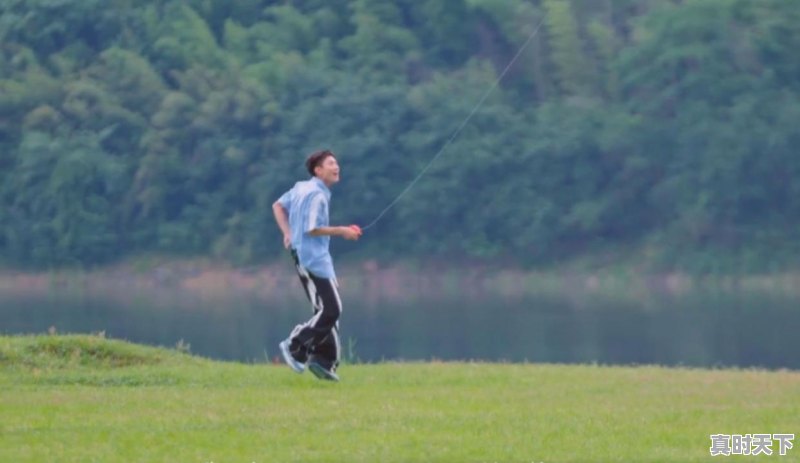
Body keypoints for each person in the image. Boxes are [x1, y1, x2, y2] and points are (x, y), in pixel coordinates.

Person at [272, 149, 362, 381]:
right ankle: (296, 344)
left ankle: (324, 362)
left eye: (337, 163)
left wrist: (287, 233)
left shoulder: (301, 187)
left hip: (307, 257)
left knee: (325, 310)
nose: (336, 167)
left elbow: (277, 206)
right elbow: (313, 228)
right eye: (331, 163)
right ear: (318, 170)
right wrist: (343, 231)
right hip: (314, 261)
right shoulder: (317, 195)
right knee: (332, 309)